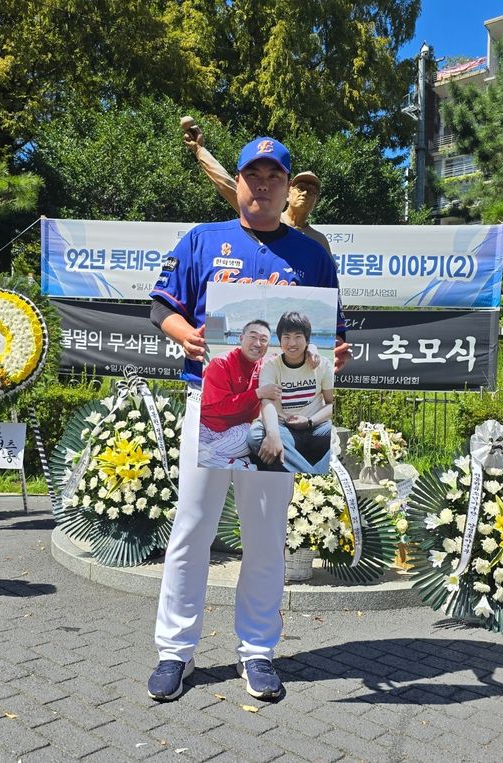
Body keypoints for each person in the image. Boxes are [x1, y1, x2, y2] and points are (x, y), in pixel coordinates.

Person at [148, 135, 349, 702]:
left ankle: (257, 650)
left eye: (273, 177)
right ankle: (174, 652)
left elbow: (332, 329)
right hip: (210, 406)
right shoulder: (203, 239)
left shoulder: (310, 253)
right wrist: (183, 332)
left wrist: (335, 355)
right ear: (236, 182)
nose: (262, 185)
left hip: (278, 414)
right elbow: (163, 304)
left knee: (264, 537)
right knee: (193, 529)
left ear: (288, 189)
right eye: (252, 175)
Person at [182, 119, 331, 254]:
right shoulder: (265, 213)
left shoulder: (319, 242)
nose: (305, 193)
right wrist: (200, 150)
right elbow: (226, 183)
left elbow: (328, 283)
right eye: (301, 187)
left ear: (317, 200)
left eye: (311, 191)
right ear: (289, 189)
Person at [248, 311, 333, 474]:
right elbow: (267, 402)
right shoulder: (271, 367)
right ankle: (316, 478)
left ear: (307, 340)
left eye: (298, 336)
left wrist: (309, 421)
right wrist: (273, 434)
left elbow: (331, 403)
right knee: (256, 435)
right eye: (286, 337)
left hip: (316, 427)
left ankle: (308, 478)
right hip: (284, 429)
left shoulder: (322, 364)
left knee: (335, 435)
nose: (292, 343)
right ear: (280, 341)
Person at [198, 319, 280, 470]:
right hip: (207, 427)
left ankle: (207, 458)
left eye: (263, 340)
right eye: (253, 337)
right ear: (241, 338)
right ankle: (240, 466)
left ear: (268, 345)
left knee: (250, 435)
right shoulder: (221, 363)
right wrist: (258, 393)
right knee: (194, 451)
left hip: (236, 431)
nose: (257, 343)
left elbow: (292, 356)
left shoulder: (266, 365)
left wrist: (311, 349)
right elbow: (221, 407)